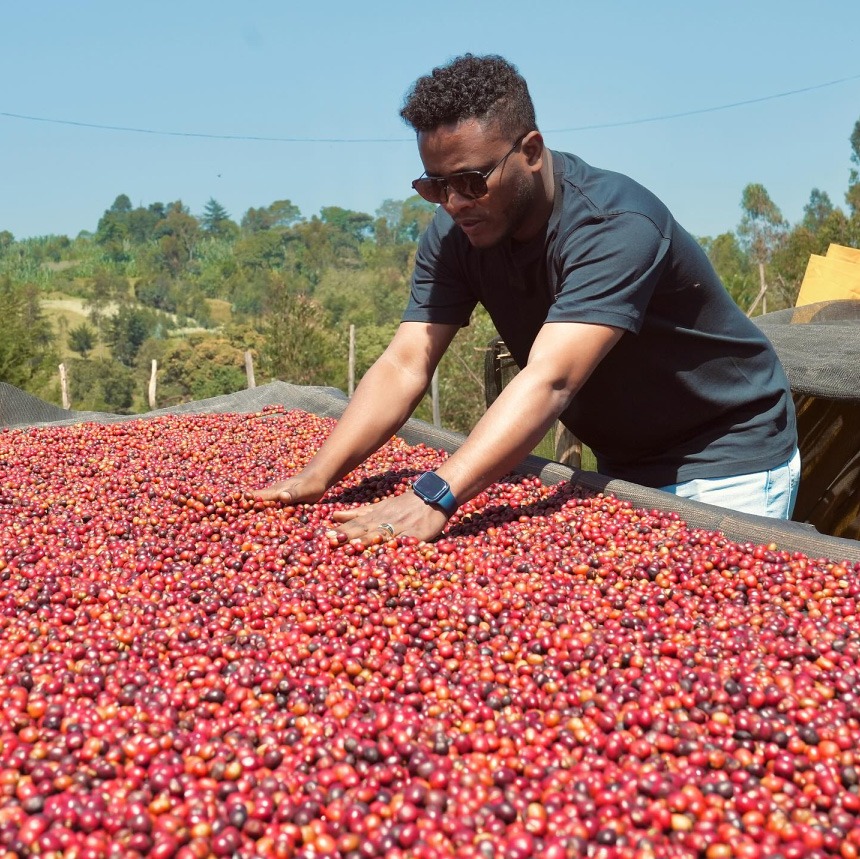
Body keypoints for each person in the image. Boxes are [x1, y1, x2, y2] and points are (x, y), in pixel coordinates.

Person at [253, 53, 799, 542]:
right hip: (623, 460)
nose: (453, 203)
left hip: (725, 458)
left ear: (531, 151)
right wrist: (321, 472)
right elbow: (404, 362)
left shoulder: (613, 225)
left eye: (470, 181)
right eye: (433, 186)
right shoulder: (456, 236)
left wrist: (434, 495)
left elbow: (550, 380)